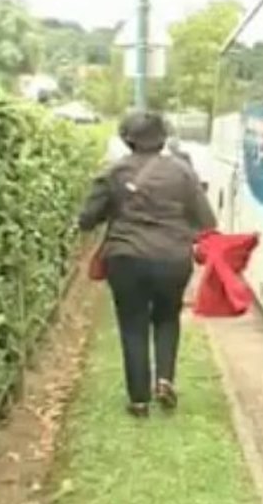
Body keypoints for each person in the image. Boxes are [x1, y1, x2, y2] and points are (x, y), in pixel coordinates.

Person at [78, 112, 217, 417]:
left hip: (126, 258)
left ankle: (139, 400)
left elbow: (86, 219)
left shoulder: (113, 172)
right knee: (168, 318)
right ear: (163, 137)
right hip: (173, 258)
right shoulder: (183, 172)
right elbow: (208, 221)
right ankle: (165, 380)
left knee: (133, 325)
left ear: (127, 139)